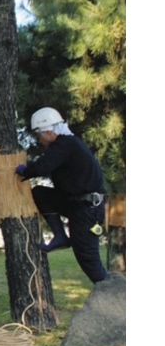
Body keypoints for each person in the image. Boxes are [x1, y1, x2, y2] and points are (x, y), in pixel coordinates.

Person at [15, 106, 108, 283]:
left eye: (39, 135)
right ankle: (60, 236)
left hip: (87, 209)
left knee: (88, 259)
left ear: (49, 131)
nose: (40, 140)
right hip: (75, 203)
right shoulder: (67, 144)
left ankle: (110, 293)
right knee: (41, 194)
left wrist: (25, 170)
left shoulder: (65, 144)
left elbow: (43, 166)